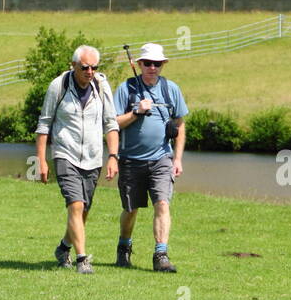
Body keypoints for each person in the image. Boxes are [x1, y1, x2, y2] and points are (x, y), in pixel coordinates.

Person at [35, 45, 119, 274]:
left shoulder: (101, 86)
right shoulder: (58, 86)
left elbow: (110, 123)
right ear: (73, 66)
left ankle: (64, 247)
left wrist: (113, 156)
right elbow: (44, 125)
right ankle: (82, 259)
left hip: (93, 158)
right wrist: (41, 161)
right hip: (65, 154)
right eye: (85, 67)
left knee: (83, 211)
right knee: (76, 204)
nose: (90, 71)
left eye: (94, 67)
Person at [114, 42, 187, 273]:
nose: (152, 68)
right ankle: (124, 246)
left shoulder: (171, 89)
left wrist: (177, 159)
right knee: (131, 209)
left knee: (162, 204)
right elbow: (113, 122)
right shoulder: (126, 89)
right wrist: (137, 112)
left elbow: (180, 124)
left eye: (157, 63)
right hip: (130, 159)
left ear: (163, 65)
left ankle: (161, 255)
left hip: (161, 158)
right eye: (147, 63)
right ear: (139, 64)